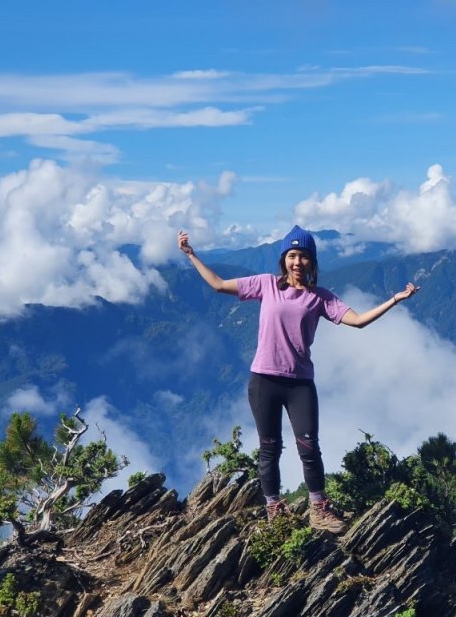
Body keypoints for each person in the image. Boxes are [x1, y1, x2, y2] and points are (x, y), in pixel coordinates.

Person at [178, 225, 419, 534]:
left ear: (312, 262)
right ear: (283, 259)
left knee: (309, 447)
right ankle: (274, 510)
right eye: (292, 255)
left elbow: (357, 321)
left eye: (303, 256)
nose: (297, 262)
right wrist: (191, 254)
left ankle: (319, 509)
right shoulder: (265, 285)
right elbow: (218, 285)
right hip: (264, 380)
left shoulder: (321, 298)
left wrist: (396, 299)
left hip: (300, 383)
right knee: (270, 448)